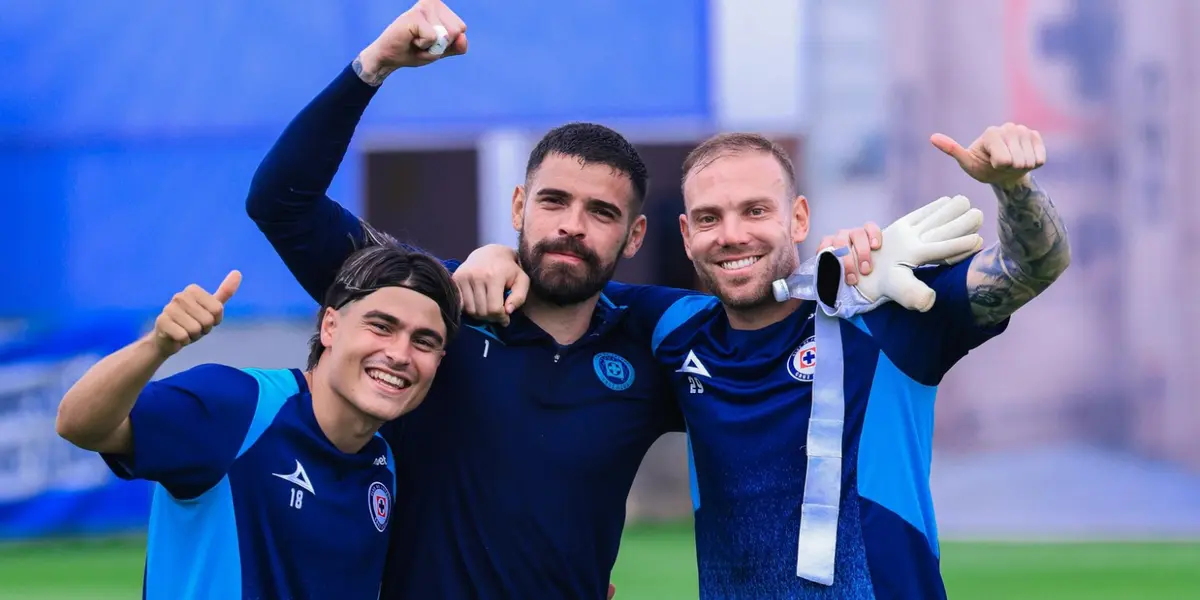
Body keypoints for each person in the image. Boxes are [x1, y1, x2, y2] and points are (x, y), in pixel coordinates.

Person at [241, 2, 937, 597]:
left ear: (636, 235)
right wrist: (375, 65)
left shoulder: (656, 339)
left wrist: (844, 266)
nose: (572, 224)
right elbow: (282, 202)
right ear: (518, 205)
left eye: (601, 213)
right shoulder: (434, 307)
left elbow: (763, 308)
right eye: (553, 201)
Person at [461, 127, 1071, 598]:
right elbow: (568, 275)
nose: (731, 235)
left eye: (755, 210)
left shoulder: (887, 314)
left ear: (798, 218)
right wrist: (492, 256)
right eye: (709, 218)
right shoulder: (671, 331)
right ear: (684, 234)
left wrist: (1013, 187)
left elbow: (1032, 266)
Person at [54, 243, 461, 600]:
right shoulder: (240, 408)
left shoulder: (384, 463)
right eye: (381, 327)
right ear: (330, 326)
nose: (400, 354)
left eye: (424, 341)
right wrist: (157, 346)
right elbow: (79, 424)